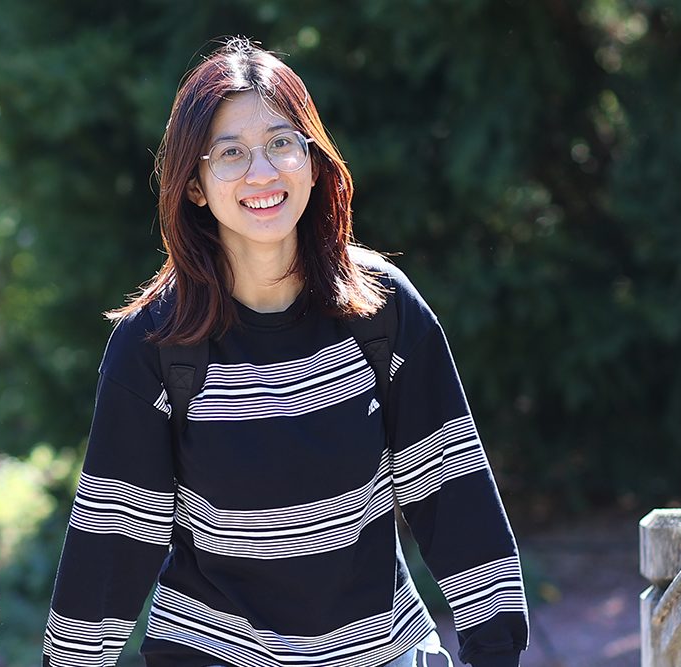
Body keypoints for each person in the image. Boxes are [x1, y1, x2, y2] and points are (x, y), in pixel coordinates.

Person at [43, 37, 529, 667]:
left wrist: (494, 651)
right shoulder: (156, 343)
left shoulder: (380, 313)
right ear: (193, 183)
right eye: (231, 154)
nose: (262, 173)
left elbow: (454, 498)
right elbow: (113, 542)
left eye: (280, 143)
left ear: (312, 159)